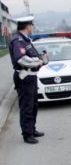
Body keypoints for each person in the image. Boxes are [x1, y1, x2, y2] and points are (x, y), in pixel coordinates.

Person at [9, 16, 48, 144]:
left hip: (31, 76)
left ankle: (32, 129)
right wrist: (37, 61)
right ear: (27, 26)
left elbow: (32, 55)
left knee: (33, 106)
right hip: (24, 77)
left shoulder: (26, 41)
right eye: (31, 25)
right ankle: (27, 134)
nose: (32, 27)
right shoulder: (18, 40)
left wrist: (41, 59)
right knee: (27, 106)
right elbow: (21, 59)